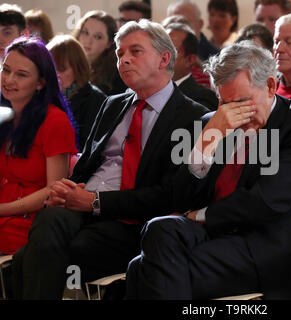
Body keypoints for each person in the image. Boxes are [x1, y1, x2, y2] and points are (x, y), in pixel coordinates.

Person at [12, 20, 209, 300]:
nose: (124, 59)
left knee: (32, 258)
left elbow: (170, 195)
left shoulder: (192, 117)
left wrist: (95, 202)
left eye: (135, 51)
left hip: (133, 222)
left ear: (164, 58)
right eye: (119, 54)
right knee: (50, 218)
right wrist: (68, 190)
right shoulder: (113, 104)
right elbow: (87, 166)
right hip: (81, 209)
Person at [125, 41, 291, 300]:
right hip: (215, 235)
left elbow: (265, 202)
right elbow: (177, 196)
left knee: (144, 271)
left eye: (242, 102)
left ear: (269, 86)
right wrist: (209, 139)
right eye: (224, 102)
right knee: (159, 229)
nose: (234, 114)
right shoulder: (214, 123)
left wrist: (198, 215)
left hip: (267, 245)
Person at [0, 37, 77, 255]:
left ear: (41, 83)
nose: (8, 80)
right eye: (6, 70)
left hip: (30, 219)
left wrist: (2, 210)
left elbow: (54, 190)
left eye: (21, 75)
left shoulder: (54, 120)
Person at [47, 35, 107, 151]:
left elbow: (91, 149)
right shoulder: (42, 95)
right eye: (51, 68)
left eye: (61, 69)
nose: (55, 74)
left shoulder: (96, 100)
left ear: (77, 68)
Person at [165, 22, 218, 110]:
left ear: (190, 60)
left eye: (171, 51)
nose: (162, 56)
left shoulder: (201, 99)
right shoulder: (146, 91)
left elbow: (198, 124)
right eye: (159, 49)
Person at [73, 10, 127, 96]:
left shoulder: (116, 78)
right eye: (85, 32)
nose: (88, 41)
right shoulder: (67, 64)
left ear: (109, 43)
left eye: (98, 37)